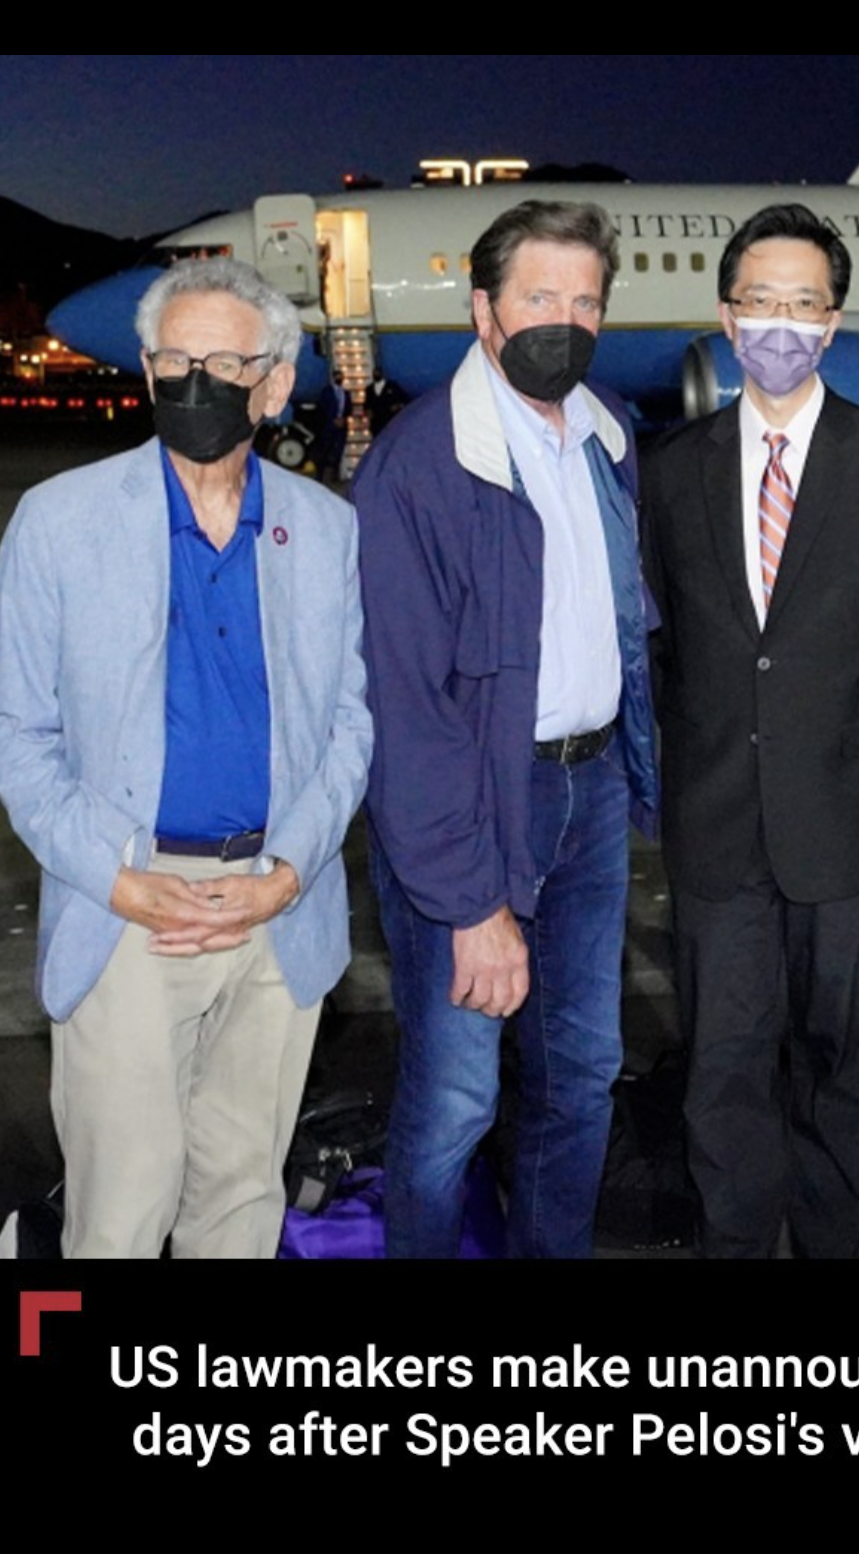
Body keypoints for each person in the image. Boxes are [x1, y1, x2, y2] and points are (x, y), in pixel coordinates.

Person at [0, 256, 372, 1258]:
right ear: (148, 370)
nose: (194, 383)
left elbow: (351, 722)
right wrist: (118, 879)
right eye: (175, 361)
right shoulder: (60, 521)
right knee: (120, 1213)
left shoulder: (326, 529)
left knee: (243, 1204)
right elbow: (17, 732)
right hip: (130, 910)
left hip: (276, 907)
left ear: (276, 385)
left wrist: (288, 871)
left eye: (224, 365)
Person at [641, 202, 859, 1258]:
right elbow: (665, 657)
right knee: (722, 1077)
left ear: (832, 323)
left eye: (804, 305)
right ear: (726, 317)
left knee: (843, 1078)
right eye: (761, 302)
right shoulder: (670, 470)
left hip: (849, 845)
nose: (781, 324)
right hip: (717, 840)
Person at [353, 199, 657, 1259]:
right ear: (483, 310)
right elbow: (406, 710)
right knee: (456, 1100)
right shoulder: (419, 467)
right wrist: (470, 902)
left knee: (581, 1075)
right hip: (474, 805)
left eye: (586, 301)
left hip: (590, 793)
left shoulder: (606, 435)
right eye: (539, 297)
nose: (564, 322)